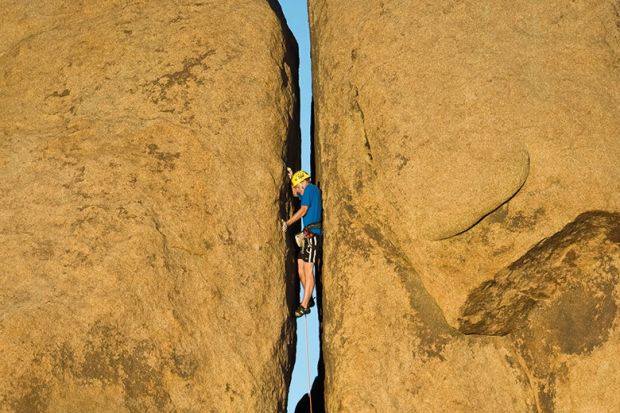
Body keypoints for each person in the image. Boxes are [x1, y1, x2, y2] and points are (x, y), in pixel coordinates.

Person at [282, 169, 322, 317]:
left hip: (313, 235)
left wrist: (288, 223)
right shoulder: (306, 191)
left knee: (307, 268)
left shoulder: (311, 189)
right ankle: (308, 297)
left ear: (304, 182)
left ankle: (304, 304)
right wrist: (292, 179)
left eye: (299, 186)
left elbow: (303, 210)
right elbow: (294, 193)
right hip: (307, 236)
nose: (298, 190)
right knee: (300, 266)